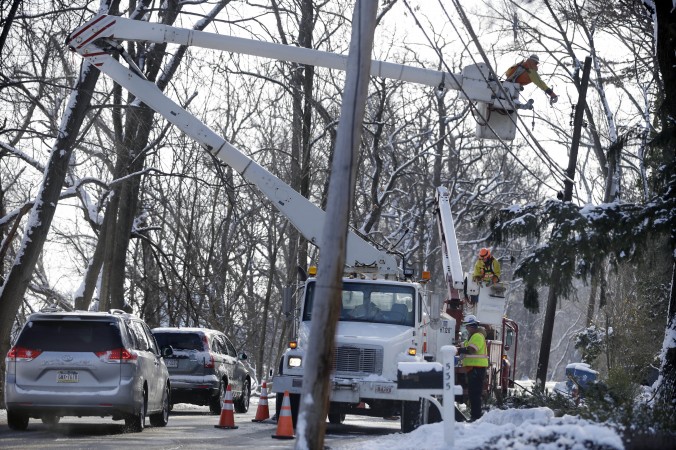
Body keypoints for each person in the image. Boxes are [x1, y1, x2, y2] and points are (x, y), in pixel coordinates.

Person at [456, 315, 488, 421]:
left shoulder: (477, 336)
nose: (466, 328)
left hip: (477, 368)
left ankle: (476, 416)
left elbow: (471, 350)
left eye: (467, 326)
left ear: (471, 326)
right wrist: (457, 347)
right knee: (473, 393)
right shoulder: (473, 336)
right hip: (474, 368)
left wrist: (460, 350)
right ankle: (475, 415)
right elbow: (464, 345)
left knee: (474, 393)